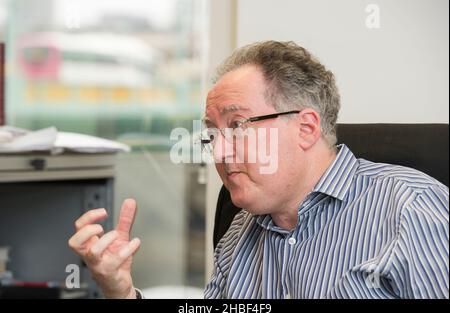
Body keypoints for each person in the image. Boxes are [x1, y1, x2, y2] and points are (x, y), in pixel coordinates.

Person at [69, 41, 449, 299]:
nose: (219, 149)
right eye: (212, 134)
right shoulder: (242, 227)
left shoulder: (412, 210)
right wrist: (120, 291)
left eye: (237, 127)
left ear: (306, 128)